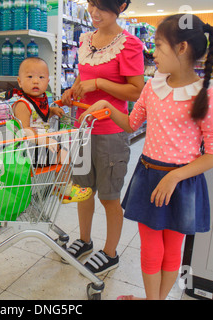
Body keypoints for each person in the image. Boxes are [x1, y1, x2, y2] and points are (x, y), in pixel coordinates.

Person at [79, 14, 213, 300]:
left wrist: (175, 176)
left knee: (172, 248)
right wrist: (105, 107)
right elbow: (133, 123)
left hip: (181, 182)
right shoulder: (153, 86)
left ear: (181, 48)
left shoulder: (207, 95)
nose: (153, 53)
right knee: (150, 246)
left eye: (158, 46)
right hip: (149, 175)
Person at [61, 0, 144, 275]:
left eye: (101, 7)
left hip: (111, 132)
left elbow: (136, 92)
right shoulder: (86, 39)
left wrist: (99, 84)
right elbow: (84, 77)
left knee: (109, 196)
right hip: (82, 128)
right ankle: (84, 240)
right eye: (90, 4)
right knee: (83, 191)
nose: (94, 13)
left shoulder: (129, 44)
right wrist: (72, 91)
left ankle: (110, 252)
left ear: (120, 6)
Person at [13, 57, 93, 204]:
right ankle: (64, 189)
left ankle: (61, 186)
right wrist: (45, 140)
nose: (36, 81)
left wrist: (52, 111)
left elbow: (38, 116)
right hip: (28, 150)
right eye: (30, 77)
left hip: (39, 146)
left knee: (64, 153)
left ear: (47, 81)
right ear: (19, 81)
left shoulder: (39, 100)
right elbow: (26, 131)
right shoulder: (22, 104)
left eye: (41, 77)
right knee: (64, 155)